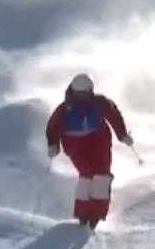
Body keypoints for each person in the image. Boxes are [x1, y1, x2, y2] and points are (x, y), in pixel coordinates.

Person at [45, 73, 134, 229]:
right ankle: (84, 213)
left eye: (85, 94)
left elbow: (114, 115)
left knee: (101, 174)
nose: (82, 98)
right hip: (75, 143)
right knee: (87, 174)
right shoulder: (65, 109)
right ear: (73, 92)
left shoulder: (99, 103)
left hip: (99, 140)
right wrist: (53, 144)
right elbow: (54, 126)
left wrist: (122, 135)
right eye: (79, 95)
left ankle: (96, 213)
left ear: (90, 91)